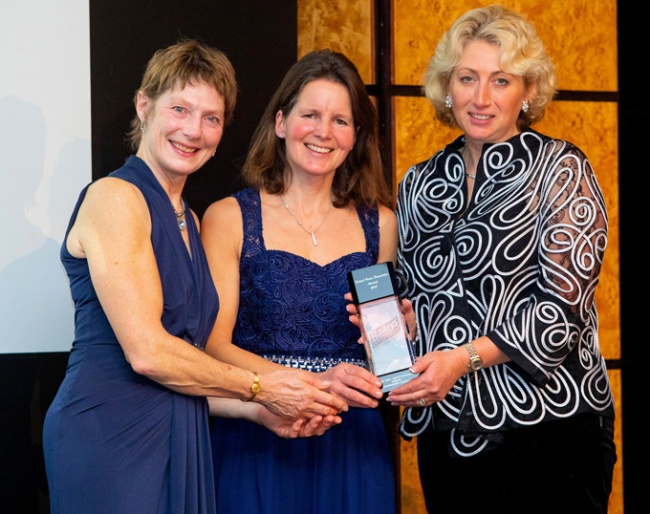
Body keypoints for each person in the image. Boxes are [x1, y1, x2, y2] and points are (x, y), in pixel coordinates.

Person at [42, 39, 348, 514]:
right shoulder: (115, 197)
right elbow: (148, 354)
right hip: (109, 434)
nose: (193, 131)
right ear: (144, 106)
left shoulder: (190, 216)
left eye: (212, 118)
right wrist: (262, 388)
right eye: (180, 109)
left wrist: (258, 412)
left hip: (182, 430)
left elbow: (185, 369)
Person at [387, 5, 616, 514]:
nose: (481, 98)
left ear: (529, 91)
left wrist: (461, 359)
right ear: (448, 85)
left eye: (501, 80)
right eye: (467, 78)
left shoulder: (561, 170)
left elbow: (558, 315)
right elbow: (412, 293)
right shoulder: (419, 183)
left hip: (552, 434)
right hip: (448, 434)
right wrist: (401, 324)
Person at [201, 49, 398, 513]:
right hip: (258, 431)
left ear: (356, 136)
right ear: (282, 122)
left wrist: (393, 343)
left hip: (352, 441)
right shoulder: (229, 218)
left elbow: (387, 362)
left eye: (341, 120)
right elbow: (212, 347)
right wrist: (308, 385)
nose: (324, 132)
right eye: (311, 114)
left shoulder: (381, 224)